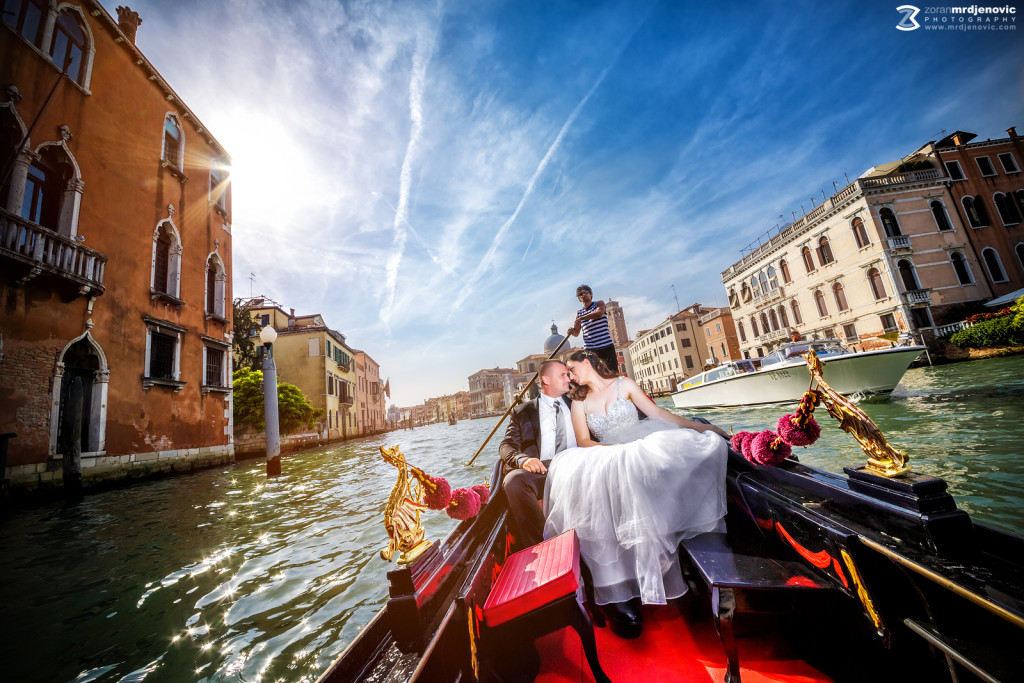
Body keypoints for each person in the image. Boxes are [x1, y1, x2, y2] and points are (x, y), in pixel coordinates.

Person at [543, 349, 730, 638]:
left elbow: (658, 414)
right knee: (616, 469)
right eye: (565, 372)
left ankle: (671, 565)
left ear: (588, 362)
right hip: (607, 455)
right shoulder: (578, 400)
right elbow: (583, 440)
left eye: (571, 368)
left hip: (640, 446)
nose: (570, 375)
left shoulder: (624, 384)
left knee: (667, 455)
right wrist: (618, 452)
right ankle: (622, 589)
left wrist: (701, 427)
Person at [499, 360, 578, 550]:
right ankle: (544, 548)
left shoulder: (579, 402)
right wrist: (523, 460)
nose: (569, 379)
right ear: (546, 379)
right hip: (544, 470)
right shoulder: (522, 412)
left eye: (568, 374)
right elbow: (506, 445)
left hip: (578, 465)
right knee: (514, 481)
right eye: (563, 375)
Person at [568, 284, 619, 373]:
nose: (583, 295)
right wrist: (572, 331)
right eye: (580, 294)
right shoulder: (579, 313)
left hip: (606, 345)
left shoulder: (599, 304)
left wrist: (582, 318)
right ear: (579, 299)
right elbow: (576, 333)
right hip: (590, 349)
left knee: (613, 372)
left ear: (591, 294)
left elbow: (599, 313)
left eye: (586, 292)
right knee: (593, 373)